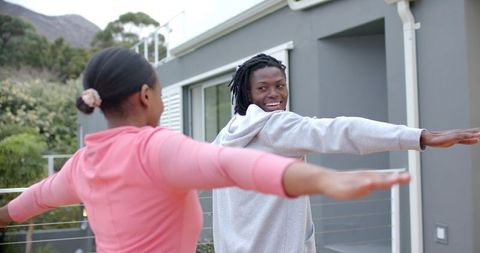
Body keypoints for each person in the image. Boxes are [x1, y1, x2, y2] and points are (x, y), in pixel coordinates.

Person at [0, 48, 413, 253]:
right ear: (146, 96)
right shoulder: (156, 149)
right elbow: (235, 166)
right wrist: (326, 180)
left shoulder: (82, 162)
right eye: (161, 91)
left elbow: (33, 199)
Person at [211, 53, 480, 253]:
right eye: (263, 88)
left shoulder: (226, 136)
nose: (275, 94)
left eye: (280, 85)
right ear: (247, 93)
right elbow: (342, 130)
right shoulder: (277, 125)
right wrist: (421, 136)